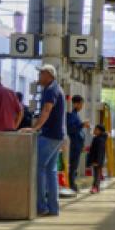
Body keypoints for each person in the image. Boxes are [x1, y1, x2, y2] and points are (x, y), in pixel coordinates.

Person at [30, 64, 65, 216]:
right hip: (58, 135)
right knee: (51, 171)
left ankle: (41, 206)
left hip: (49, 135)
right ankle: (53, 208)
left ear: (48, 75)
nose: (39, 77)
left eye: (41, 74)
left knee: (39, 168)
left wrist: (35, 128)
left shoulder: (50, 90)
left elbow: (46, 110)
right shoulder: (57, 88)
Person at [65, 95, 87, 195]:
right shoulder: (70, 115)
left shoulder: (75, 114)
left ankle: (72, 183)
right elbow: (71, 129)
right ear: (76, 103)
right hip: (73, 144)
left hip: (77, 144)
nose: (81, 106)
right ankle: (71, 184)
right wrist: (82, 125)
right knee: (73, 165)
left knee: (75, 166)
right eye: (81, 104)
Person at [86, 119, 109, 192]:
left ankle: (95, 187)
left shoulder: (100, 140)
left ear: (100, 131)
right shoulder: (97, 138)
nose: (94, 131)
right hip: (96, 160)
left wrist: (97, 161)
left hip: (97, 161)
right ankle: (96, 187)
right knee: (96, 174)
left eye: (96, 129)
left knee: (96, 175)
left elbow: (100, 152)